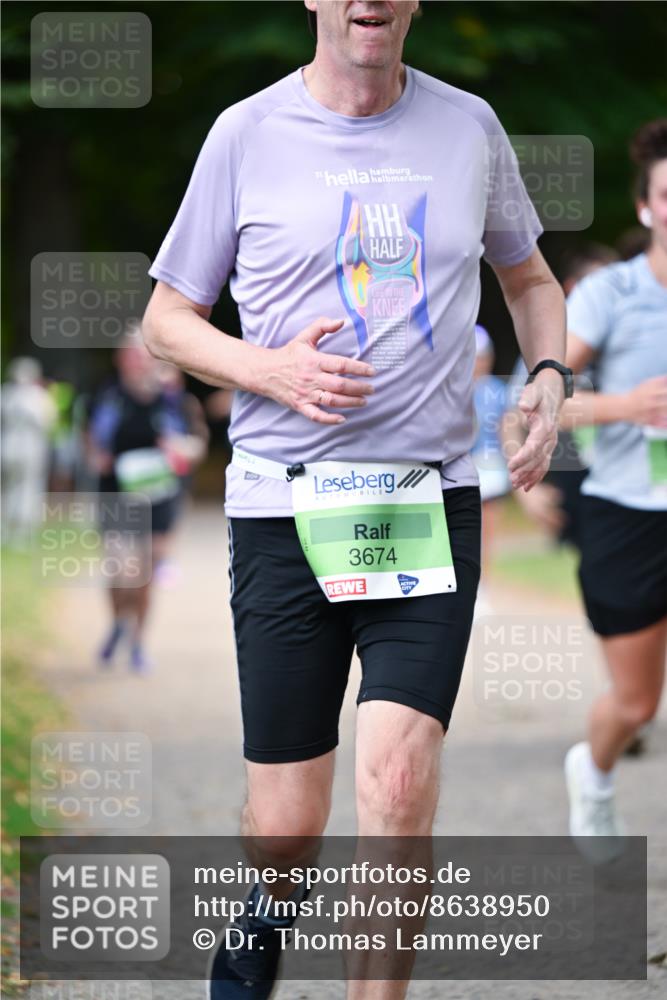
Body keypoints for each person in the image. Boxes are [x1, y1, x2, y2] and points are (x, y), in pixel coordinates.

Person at [142, 3, 570, 996]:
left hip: (426, 505)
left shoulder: (468, 127)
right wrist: (269, 370)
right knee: (287, 828)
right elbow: (166, 320)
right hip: (282, 509)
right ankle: (260, 917)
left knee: (397, 781)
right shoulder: (245, 133)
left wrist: (547, 378)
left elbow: (531, 280)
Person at [557, 119, 667, 857]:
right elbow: (539, 402)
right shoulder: (610, 293)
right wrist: (627, 405)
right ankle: (593, 777)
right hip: (629, 515)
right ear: (645, 207)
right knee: (635, 703)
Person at [86, 330, 207, 672]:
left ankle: (138, 642)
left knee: (146, 576)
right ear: (120, 359)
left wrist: (182, 450)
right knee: (122, 570)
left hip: (160, 497)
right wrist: (96, 456)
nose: (138, 360)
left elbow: (197, 443)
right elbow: (89, 438)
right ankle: (117, 622)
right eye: (131, 354)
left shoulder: (175, 401)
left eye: (143, 353)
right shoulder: (107, 397)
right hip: (116, 494)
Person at [470, 324, 509, 613]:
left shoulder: (498, 390)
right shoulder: (455, 389)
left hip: (492, 468)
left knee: (487, 532)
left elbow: (506, 431)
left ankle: (483, 588)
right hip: (464, 467)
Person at [1, 357, 55, 548]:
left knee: (23, 488)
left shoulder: (32, 396)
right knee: (14, 488)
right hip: (16, 447)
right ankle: (11, 528)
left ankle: (20, 529)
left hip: (23, 447)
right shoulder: (12, 394)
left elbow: (46, 422)